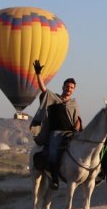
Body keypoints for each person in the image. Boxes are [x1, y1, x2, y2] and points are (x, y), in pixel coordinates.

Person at [30, 60, 81, 189]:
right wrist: (38, 74)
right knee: (53, 155)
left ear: (73, 90)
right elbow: (43, 89)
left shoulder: (74, 104)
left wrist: (77, 126)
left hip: (70, 133)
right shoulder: (54, 98)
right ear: (63, 87)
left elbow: (76, 119)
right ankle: (54, 179)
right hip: (56, 133)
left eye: (71, 88)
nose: (69, 89)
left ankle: (92, 174)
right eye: (67, 86)